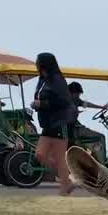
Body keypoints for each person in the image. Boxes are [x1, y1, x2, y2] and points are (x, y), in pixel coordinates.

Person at [31, 52, 76, 194]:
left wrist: (42, 104)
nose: (35, 63)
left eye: (37, 61)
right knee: (40, 155)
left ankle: (65, 187)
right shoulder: (42, 79)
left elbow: (64, 102)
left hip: (59, 122)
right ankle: (67, 178)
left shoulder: (57, 80)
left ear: (44, 63)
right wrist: (38, 104)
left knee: (59, 157)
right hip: (47, 124)